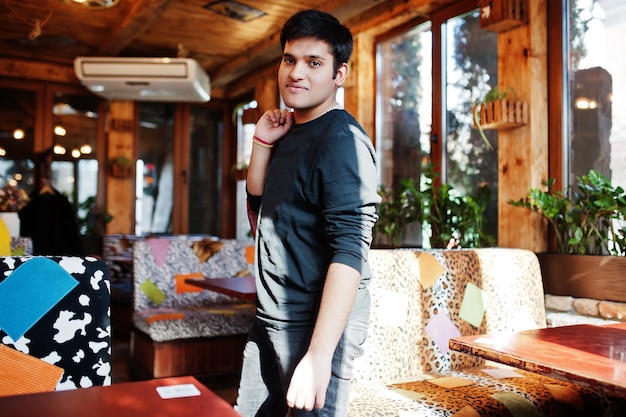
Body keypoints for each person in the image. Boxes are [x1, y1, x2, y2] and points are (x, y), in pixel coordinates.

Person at [235, 9, 380, 417]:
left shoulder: (342, 141)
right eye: (289, 59)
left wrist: (318, 357)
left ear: (339, 74)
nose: (296, 72)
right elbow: (262, 206)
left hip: (315, 326)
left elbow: (351, 251)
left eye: (314, 63)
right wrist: (262, 144)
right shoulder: (293, 131)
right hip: (271, 316)